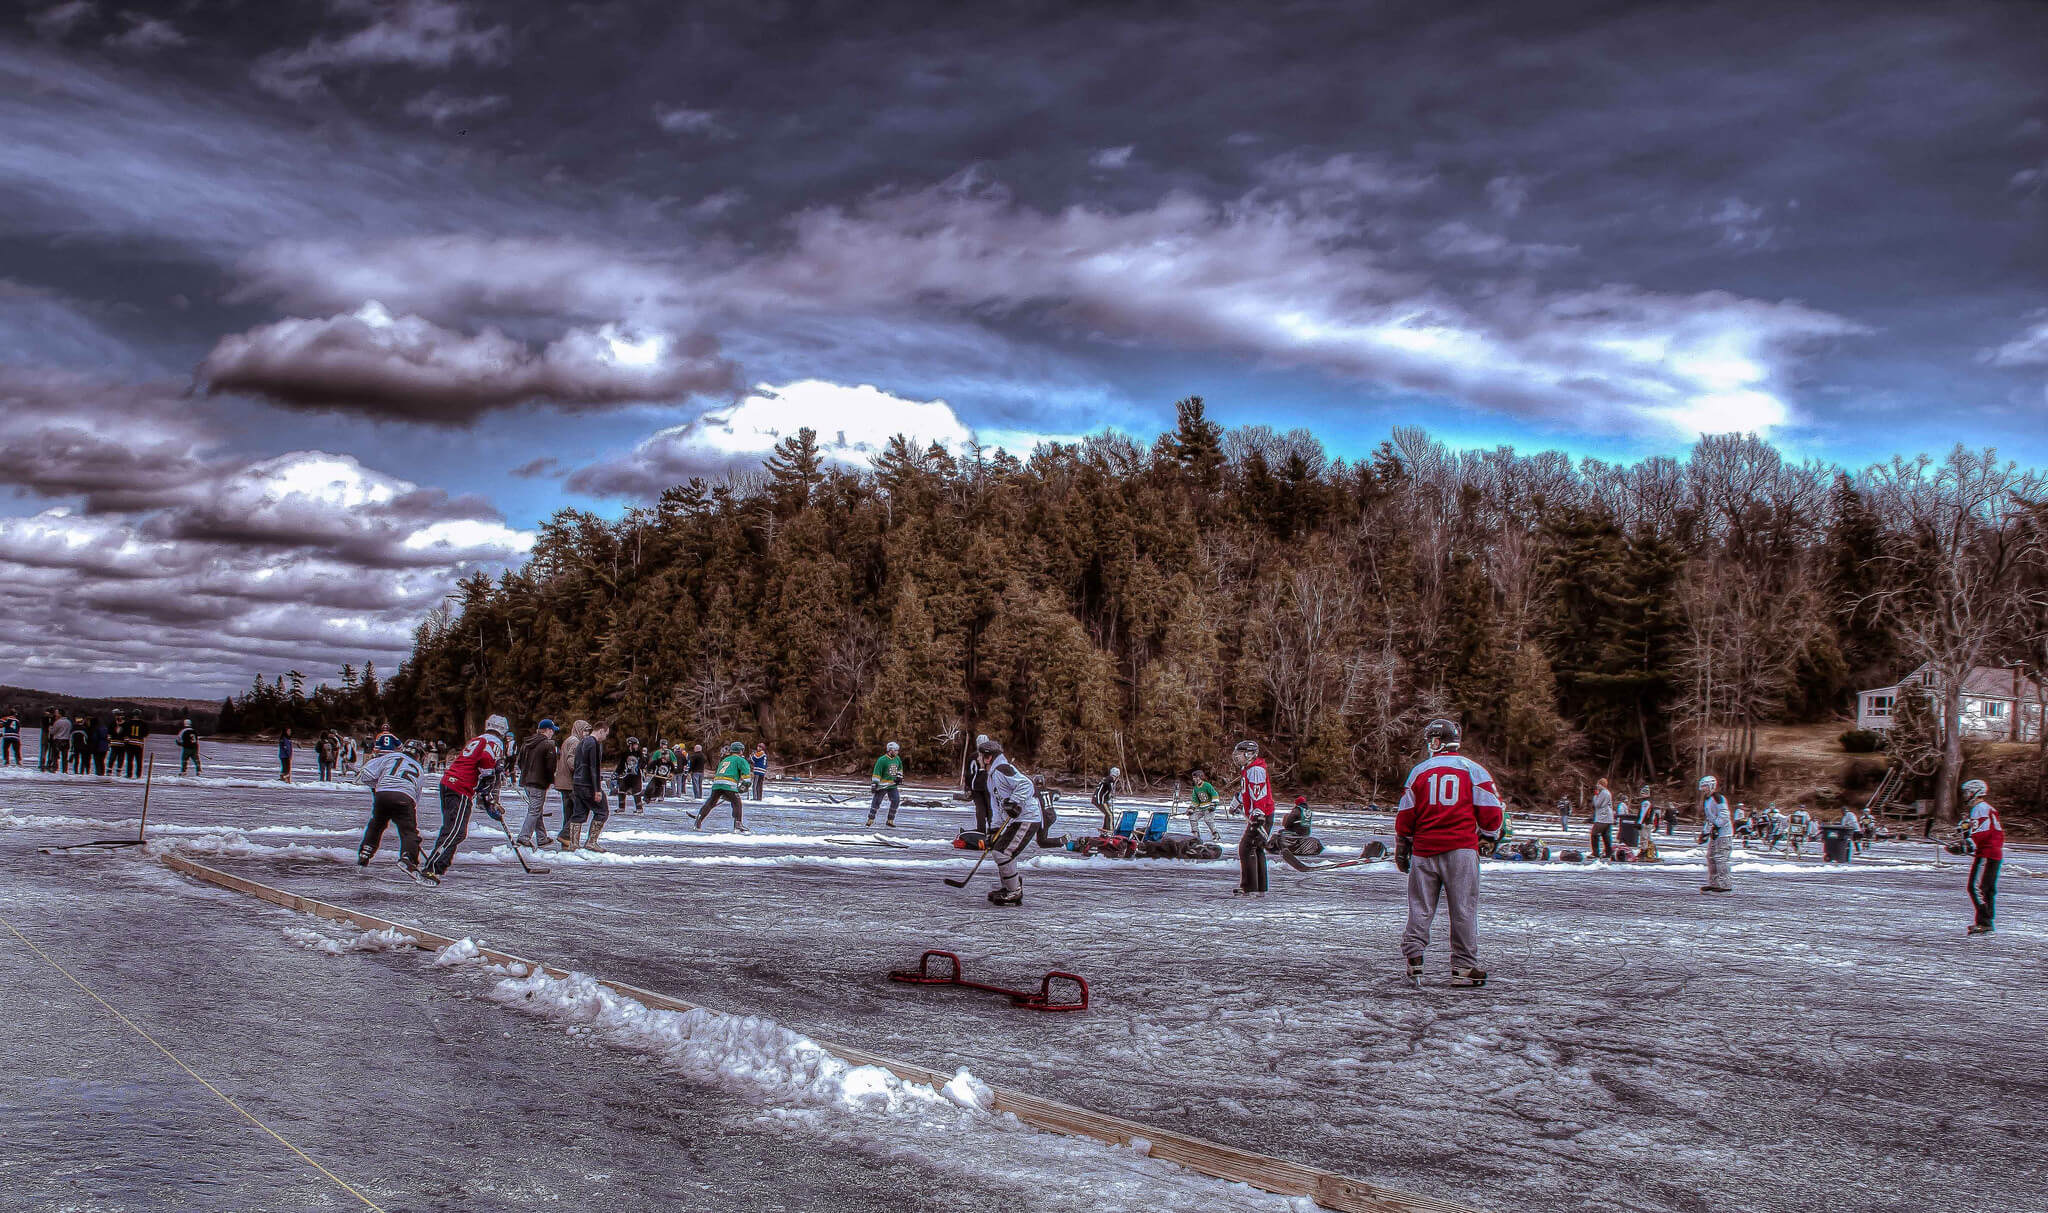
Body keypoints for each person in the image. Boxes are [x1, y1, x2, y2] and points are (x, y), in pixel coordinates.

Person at [1394, 718, 1503, 988]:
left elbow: (1406, 813)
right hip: (1460, 851)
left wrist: (1403, 844)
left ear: (1436, 741)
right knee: (1463, 909)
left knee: (1420, 907)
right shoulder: (1474, 770)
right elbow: (1492, 812)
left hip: (1424, 850)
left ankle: (1415, 959)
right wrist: (1489, 836)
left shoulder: (1419, 771)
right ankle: (1464, 968)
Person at [422, 715, 511, 880]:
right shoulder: (494, 742)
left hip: (449, 782)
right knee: (455, 831)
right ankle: (432, 867)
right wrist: (490, 776)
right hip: (460, 787)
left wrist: (487, 797)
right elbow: (486, 761)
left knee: (457, 830)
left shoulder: (478, 739)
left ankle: (440, 866)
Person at [980, 736, 1045, 907]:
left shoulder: (1002, 769)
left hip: (1028, 817)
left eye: (981, 756)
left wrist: (1014, 801)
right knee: (999, 849)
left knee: (1002, 853)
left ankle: (1014, 891)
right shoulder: (992, 776)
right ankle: (1010, 887)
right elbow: (997, 807)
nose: (980, 759)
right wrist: (993, 831)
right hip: (1017, 819)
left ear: (988, 757)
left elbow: (1027, 785)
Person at [355, 734, 425, 871]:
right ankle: (408, 857)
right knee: (408, 831)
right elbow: (417, 793)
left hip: (383, 793)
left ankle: (366, 851)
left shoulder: (390, 757)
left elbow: (366, 774)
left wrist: (378, 786)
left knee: (376, 824)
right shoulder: (419, 768)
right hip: (405, 796)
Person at [1962, 778, 2003, 935]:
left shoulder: (1980, 808)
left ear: (1975, 793)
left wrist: (1969, 843)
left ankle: (1985, 921)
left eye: (1967, 792)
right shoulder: (1985, 808)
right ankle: (1987, 920)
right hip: (1992, 852)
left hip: (1987, 853)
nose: (1965, 796)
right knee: (1987, 888)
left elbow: (1982, 831)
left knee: (1976, 887)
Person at [1233, 740, 1275, 896]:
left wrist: (1258, 814)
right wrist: (1237, 802)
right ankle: (1260, 888)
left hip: (1262, 815)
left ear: (1249, 754)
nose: (1237, 757)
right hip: (1263, 814)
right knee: (1257, 848)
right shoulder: (1249, 768)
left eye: (1239, 754)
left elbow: (1259, 793)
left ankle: (1248, 887)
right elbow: (1246, 791)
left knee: (1246, 847)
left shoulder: (1256, 770)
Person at [515, 719, 559, 847]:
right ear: (548, 730)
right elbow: (550, 766)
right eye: (552, 731)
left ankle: (542, 837)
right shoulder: (548, 744)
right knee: (534, 810)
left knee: (537, 810)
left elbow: (519, 762)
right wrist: (551, 780)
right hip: (538, 783)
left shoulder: (527, 743)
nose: (553, 733)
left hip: (526, 781)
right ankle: (524, 836)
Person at [695, 741, 751, 832]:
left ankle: (699, 820)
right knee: (737, 803)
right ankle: (738, 824)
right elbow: (747, 779)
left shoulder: (725, 759)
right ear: (741, 751)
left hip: (717, 783)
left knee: (710, 802)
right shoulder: (741, 760)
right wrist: (743, 787)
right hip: (729, 784)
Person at [1697, 775, 1734, 893]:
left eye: (1705, 786)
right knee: (1711, 857)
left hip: (1724, 834)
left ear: (1712, 785)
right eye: (1702, 786)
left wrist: (1718, 826)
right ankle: (1714, 883)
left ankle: (1725, 884)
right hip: (1715, 833)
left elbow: (1724, 815)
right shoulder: (1707, 800)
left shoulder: (1718, 798)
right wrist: (1705, 833)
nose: (1704, 789)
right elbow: (1709, 819)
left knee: (1721, 858)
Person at [866, 741, 904, 828]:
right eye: (896, 750)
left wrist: (899, 777)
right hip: (882, 786)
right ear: (891, 750)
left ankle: (890, 820)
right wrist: (874, 784)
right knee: (876, 802)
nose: (898, 752)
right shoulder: (882, 760)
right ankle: (870, 819)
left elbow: (900, 768)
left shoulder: (897, 759)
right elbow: (877, 773)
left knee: (896, 800)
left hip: (892, 785)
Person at [963, 735, 993, 833]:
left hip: (977, 786)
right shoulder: (992, 756)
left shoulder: (973, 756)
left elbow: (968, 774)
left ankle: (981, 831)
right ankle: (992, 831)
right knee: (990, 809)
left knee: (981, 809)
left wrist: (967, 787)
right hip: (988, 787)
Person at [1187, 768, 1221, 844]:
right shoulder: (1195, 788)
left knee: (1208, 819)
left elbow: (1214, 794)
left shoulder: (1207, 785)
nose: (1194, 779)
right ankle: (1196, 835)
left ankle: (1215, 834)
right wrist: (1191, 808)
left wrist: (1213, 805)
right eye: (1193, 777)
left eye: (1195, 777)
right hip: (1201, 807)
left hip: (1209, 807)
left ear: (1200, 777)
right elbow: (1195, 800)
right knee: (1192, 817)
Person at [615, 736, 646, 815]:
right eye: (635, 745)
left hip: (636, 776)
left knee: (636, 792)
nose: (637, 746)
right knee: (621, 790)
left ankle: (639, 809)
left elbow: (643, 762)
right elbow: (621, 764)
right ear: (630, 745)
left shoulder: (639, 753)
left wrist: (640, 766)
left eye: (637, 745)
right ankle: (621, 808)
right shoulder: (625, 753)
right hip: (626, 776)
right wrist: (617, 773)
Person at [1589, 778, 1614, 859]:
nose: (1597, 785)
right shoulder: (1608, 793)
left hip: (1602, 818)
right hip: (1609, 818)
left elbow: (1597, 804)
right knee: (1606, 836)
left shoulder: (1603, 793)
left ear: (1602, 785)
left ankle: (1595, 853)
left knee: (1594, 834)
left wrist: (1595, 796)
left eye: (1598, 784)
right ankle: (1609, 853)